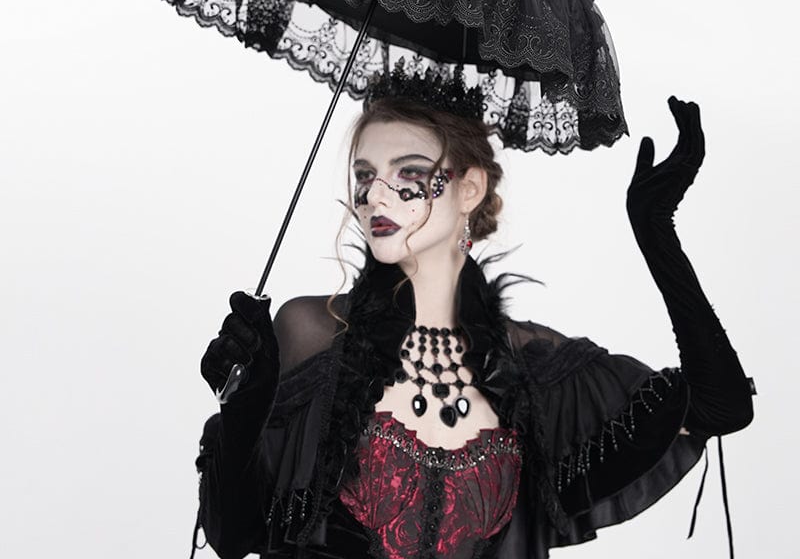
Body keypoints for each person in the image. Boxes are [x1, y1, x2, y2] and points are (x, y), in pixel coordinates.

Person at [191, 68, 755, 559]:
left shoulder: (531, 372)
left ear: (470, 189)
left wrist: (656, 230)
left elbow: (720, 405)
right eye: (365, 175)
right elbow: (233, 534)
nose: (376, 197)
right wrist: (243, 408)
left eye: (408, 174)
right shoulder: (312, 331)